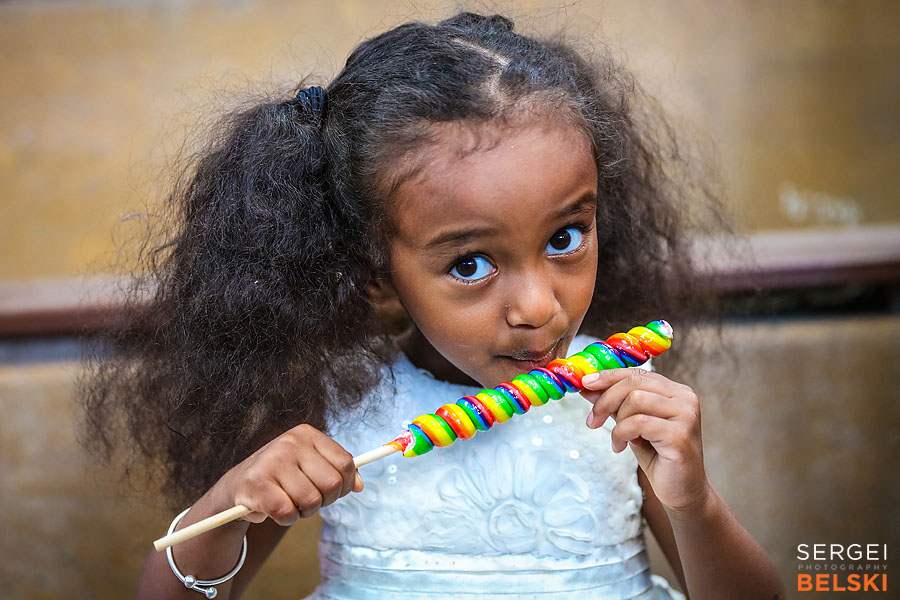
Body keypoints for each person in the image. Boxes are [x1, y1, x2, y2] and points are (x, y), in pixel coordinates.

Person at [80, 11, 785, 600]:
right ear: (375, 274)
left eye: (566, 237)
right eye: (470, 264)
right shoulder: (333, 405)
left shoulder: (619, 410)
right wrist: (229, 502)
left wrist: (694, 501)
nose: (539, 307)